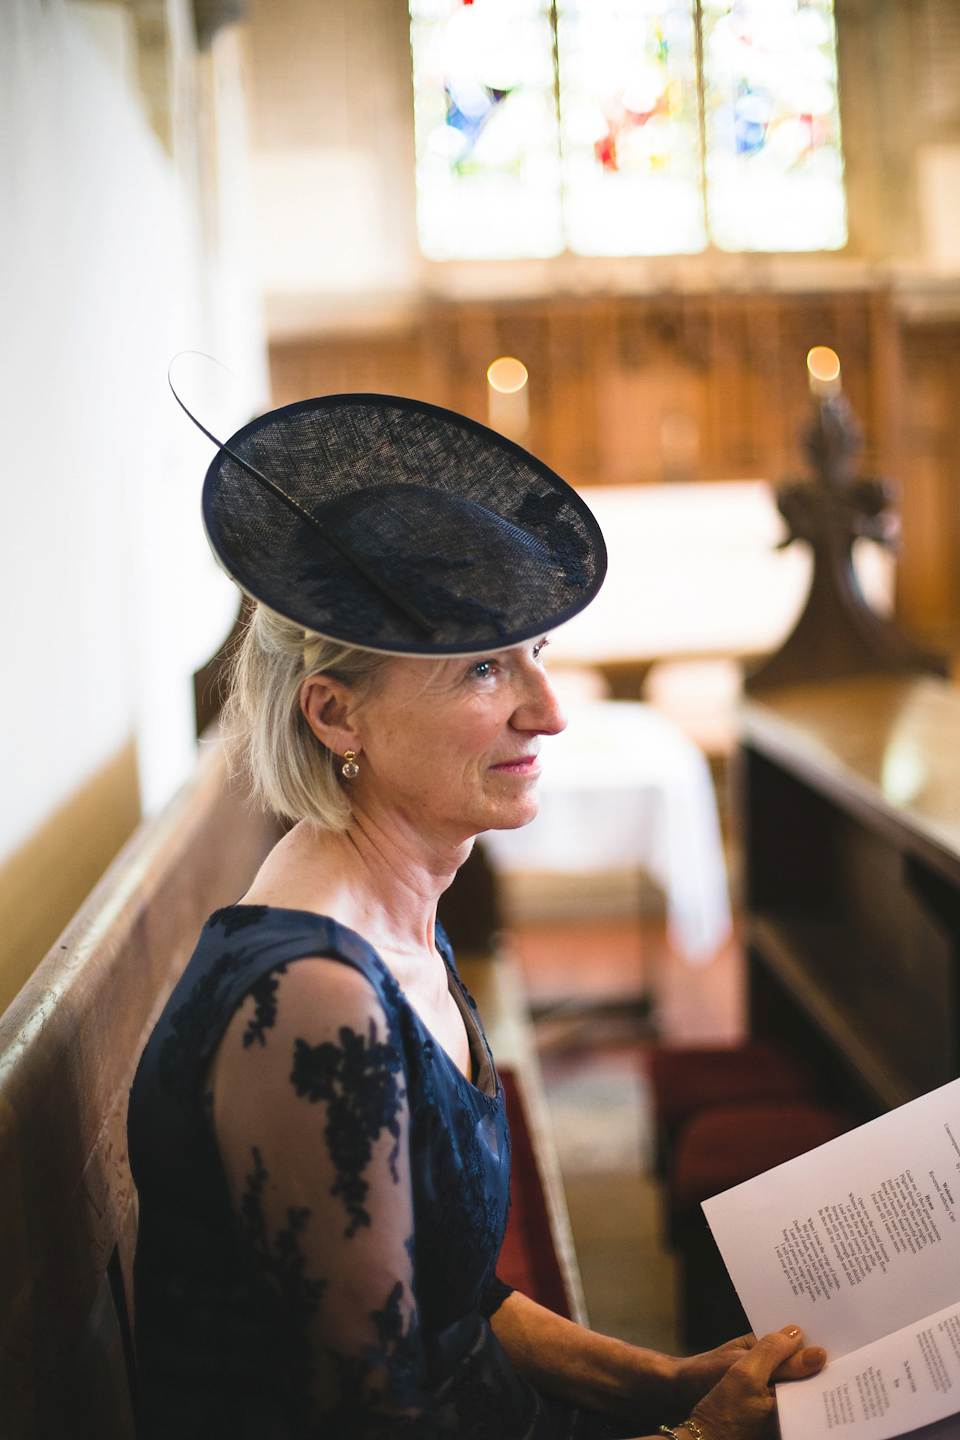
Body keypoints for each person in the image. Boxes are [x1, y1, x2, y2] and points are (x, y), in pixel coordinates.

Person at [128, 394, 826, 1439]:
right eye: (485, 668)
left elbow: (453, 1305)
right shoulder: (313, 1001)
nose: (548, 710)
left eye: (536, 652)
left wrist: (665, 1382)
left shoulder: (393, 906)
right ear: (335, 713)